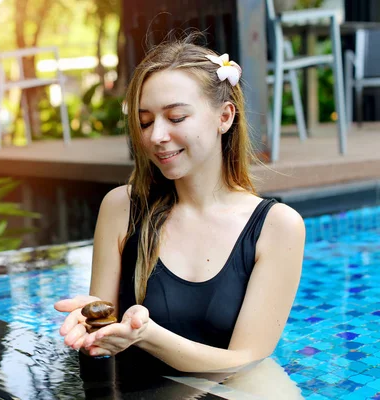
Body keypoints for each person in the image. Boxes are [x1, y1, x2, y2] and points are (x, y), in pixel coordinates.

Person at [54, 34, 305, 376]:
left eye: (175, 118)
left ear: (225, 117)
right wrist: (94, 326)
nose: (155, 136)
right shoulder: (121, 208)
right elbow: (106, 332)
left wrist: (147, 335)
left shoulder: (276, 227)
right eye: (145, 121)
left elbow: (246, 362)